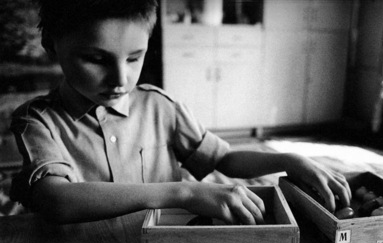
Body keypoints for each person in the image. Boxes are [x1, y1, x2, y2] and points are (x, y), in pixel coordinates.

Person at [9, 0, 351, 224]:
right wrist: (182, 191)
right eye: (96, 59)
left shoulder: (161, 107)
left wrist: (288, 160)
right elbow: (55, 199)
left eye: (134, 58)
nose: (120, 78)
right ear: (52, 45)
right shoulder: (38, 120)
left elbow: (224, 160)